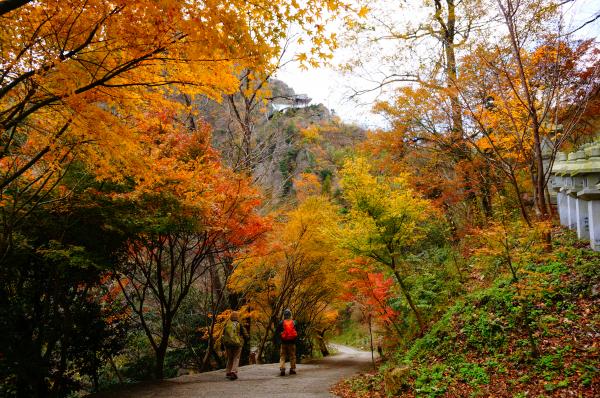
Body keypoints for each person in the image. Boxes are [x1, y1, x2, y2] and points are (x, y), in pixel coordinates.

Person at [221, 311, 247, 380]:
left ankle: (228, 372)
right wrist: (246, 339)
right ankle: (233, 372)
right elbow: (245, 334)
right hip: (237, 344)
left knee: (230, 358)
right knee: (236, 357)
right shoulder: (239, 324)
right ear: (237, 317)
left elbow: (223, 335)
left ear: (231, 317)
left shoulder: (227, 324)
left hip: (227, 344)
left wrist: (222, 345)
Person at [276, 308, 298, 376]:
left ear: (284, 315)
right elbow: (297, 332)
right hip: (292, 342)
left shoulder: (281, 323)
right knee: (292, 356)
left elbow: (277, 332)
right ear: (290, 315)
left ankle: (282, 369)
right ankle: (292, 369)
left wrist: (279, 340)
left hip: (284, 342)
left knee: (282, 356)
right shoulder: (294, 322)